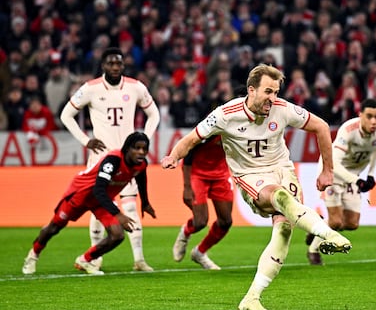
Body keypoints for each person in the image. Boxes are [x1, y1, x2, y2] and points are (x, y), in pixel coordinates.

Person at [161, 64, 352, 310]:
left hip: (283, 170)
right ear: (251, 90)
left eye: (276, 92)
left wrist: (327, 170)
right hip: (250, 176)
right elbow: (191, 139)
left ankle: (252, 298)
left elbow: (322, 127)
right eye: (268, 92)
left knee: (283, 231)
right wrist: (173, 156)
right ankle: (329, 234)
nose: (272, 98)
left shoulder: (282, 109)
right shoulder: (225, 114)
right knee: (279, 196)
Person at [60, 47, 160, 272]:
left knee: (131, 208)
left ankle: (139, 260)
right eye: (111, 63)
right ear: (103, 65)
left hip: (128, 159)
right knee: (96, 209)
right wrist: (86, 141)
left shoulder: (135, 87)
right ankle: (94, 258)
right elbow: (66, 114)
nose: (115, 67)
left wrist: (144, 138)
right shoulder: (90, 88)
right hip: (101, 158)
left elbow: (155, 113)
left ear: (123, 65)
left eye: (119, 64)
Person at [22, 132, 156, 275]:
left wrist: (145, 203)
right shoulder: (113, 160)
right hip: (81, 194)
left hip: (101, 200)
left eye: (145, 149)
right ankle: (33, 255)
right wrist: (118, 214)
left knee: (117, 235)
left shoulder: (141, 165)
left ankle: (85, 260)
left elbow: (141, 181)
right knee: (54, 227)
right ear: (128, 148)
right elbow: (99, 189)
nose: (141, 152)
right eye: (137, 148)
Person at [306, 99, 376, 265]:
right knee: (336, 221)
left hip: (353, 175)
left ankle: (317, 227)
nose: (374, 121)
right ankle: (313, 251)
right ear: (360, 116)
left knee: (351, 224)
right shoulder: (348, 130)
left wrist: (371, 174)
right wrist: (357, 180)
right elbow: (334, 163)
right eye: (369, 116)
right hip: (331, 172)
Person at [172, 135, 233, 270]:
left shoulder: (240, 127)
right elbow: (188, 154)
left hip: (221, 175)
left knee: (226, 222)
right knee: (200, 222)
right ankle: (185, 232)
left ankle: (199, 253)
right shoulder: (210, 129)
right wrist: (187, 187)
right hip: (197, 174)